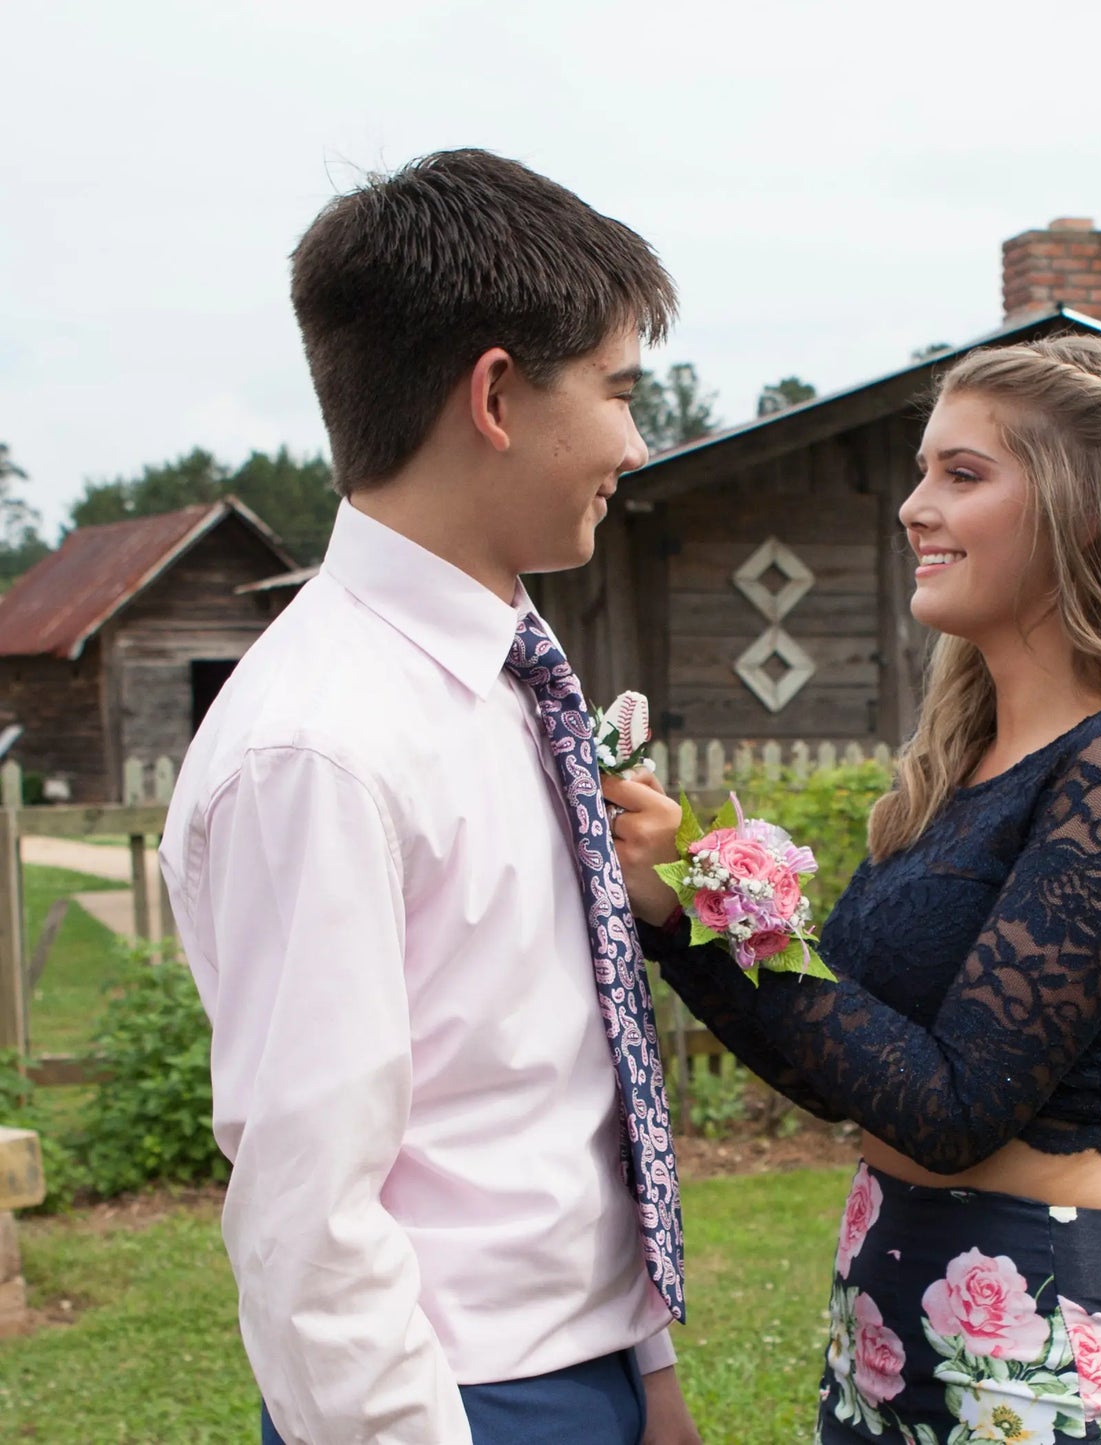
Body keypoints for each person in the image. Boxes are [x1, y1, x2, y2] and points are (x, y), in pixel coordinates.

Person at [605, 334, 1101, 1441]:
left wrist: (707, 911)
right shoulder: (951, 767)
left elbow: (951, 1107)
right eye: (922, 471)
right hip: (880, 1348)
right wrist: (677, 909)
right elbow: (842, 1076)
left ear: (1080, 510)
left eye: (961, 475)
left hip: (1029, 1380)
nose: (913, 506)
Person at [158, 149, 702, 1445]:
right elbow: (311, 1214)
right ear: (497, 395)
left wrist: (650, 1372)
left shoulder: (513, 671)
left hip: (586, 1364)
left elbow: (562, 1068)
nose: (634, 440)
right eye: (619, 390)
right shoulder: (321, 746)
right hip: (448, 1397)